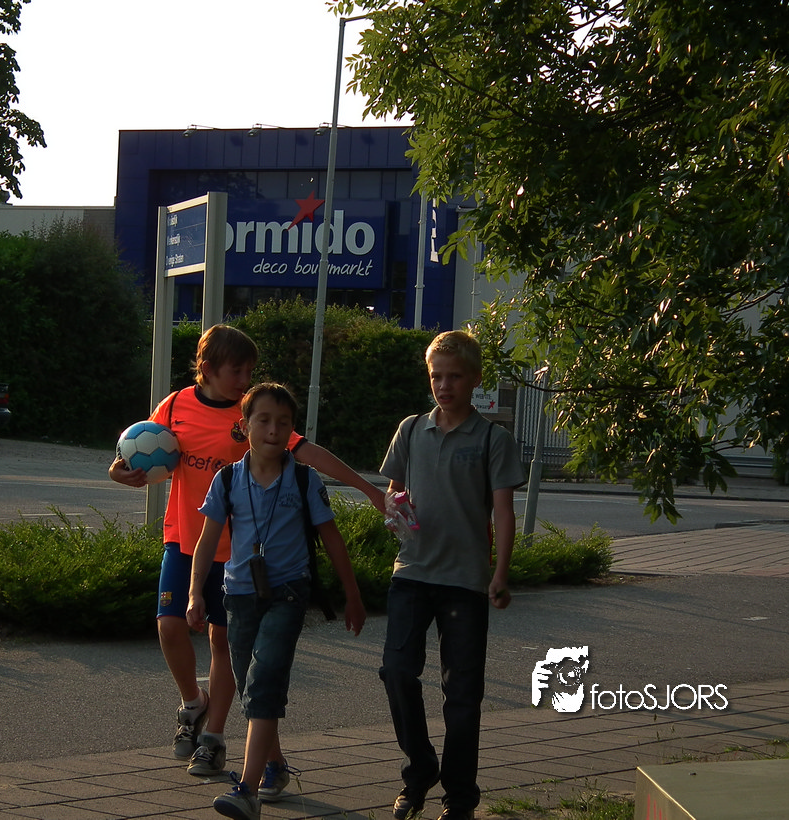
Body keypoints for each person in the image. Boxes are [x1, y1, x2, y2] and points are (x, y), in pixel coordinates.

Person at [108, 325, 383, 778]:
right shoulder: (174, 406)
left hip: (237, 556)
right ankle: (193, 704)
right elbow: (132, 453)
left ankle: (213, 740)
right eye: (236, 371)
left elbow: (310, 453)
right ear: (207, 368)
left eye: (249, 371)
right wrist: (117, 473)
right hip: (185, 541)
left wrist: (369, 490)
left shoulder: (251, 417)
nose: (244, 380)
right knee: (170, 627)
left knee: (223, 643)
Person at [187, 383, 366, 820]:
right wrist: (194, 593)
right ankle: (276, 765)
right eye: (264, 420)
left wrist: (353, 595)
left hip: (288, 592)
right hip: (239, 595)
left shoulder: (304, 479)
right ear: (244, 425)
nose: (273, 430)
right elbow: (207, 541)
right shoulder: (227, 479)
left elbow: (332, 538)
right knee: (251, 687)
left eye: (283, 423)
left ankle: (246, 790)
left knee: (264, 680)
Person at [378, 329, 525, 820]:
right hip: (412, 573)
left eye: (455, 377)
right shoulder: (410, 430)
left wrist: (500, 574)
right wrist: (394, 509)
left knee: (462, 695)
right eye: (436, 376)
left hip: (465, 581)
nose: (444, 386)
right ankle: (420, 770)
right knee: (397, 671)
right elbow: (395, 492)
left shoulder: (492, 440)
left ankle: (459, 798)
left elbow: (503, 512)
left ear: (476, 379)